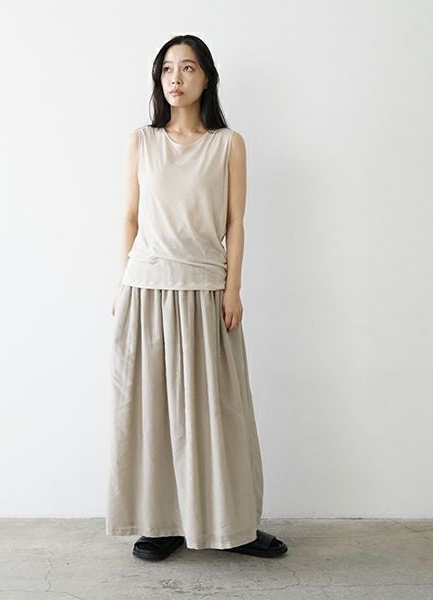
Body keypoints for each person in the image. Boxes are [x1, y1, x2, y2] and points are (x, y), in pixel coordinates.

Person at [106, 34, 288, 561]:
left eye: (187, 68)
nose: (176, 78)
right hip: (147, 289)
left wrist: (233, 289)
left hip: (207, 289)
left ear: (207, 78)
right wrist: (121, 285)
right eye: (167, 69)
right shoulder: (141, 141)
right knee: (150, 414)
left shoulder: (228, 144)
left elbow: (235, 222)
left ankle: (234, 526)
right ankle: (160, 524)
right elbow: (129, 217)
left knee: (219, 415)